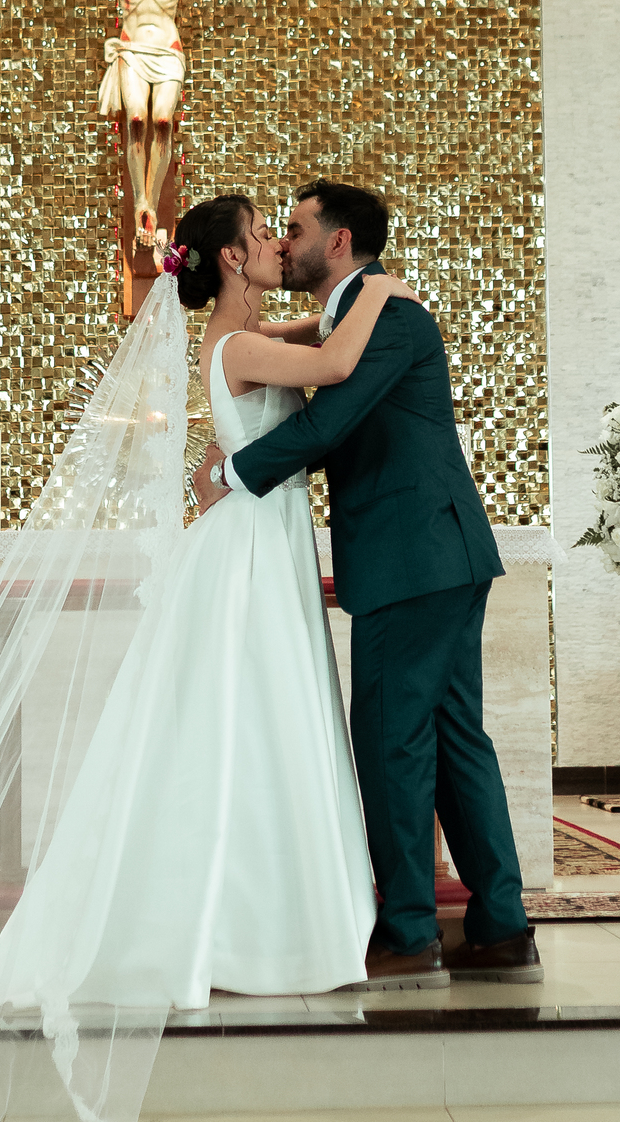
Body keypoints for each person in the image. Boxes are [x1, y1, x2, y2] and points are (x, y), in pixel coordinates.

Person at [0, 193, 424, 1015]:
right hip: (248, 555)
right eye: (261, 237)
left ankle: (263, 906)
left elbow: (301, 340)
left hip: (255, 540)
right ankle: (250, 922)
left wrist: (340, 309)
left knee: (251, 717)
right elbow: (336, 365)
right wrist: (379, 291)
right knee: (251, 715)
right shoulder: (240, 342)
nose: (280, 246)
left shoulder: (240, 338)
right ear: (234, 259)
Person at [196, 179, 542, 988]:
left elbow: (329, 421)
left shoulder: (386, 312)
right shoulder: (358, 308)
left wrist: (233, 473)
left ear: (340, 241)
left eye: (296, 228)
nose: (285, 242)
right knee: (458, 743)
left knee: (392, 742)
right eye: (275, 231)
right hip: (433, 555)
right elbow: (299, 361)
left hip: (412, 559)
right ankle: (499, 928)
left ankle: (411, 932)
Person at [0, 0, 322, 244]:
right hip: (132, 48)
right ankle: (141, 203)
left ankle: (154, 203)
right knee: (134, 119)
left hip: (167, 49)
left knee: (162, 122)